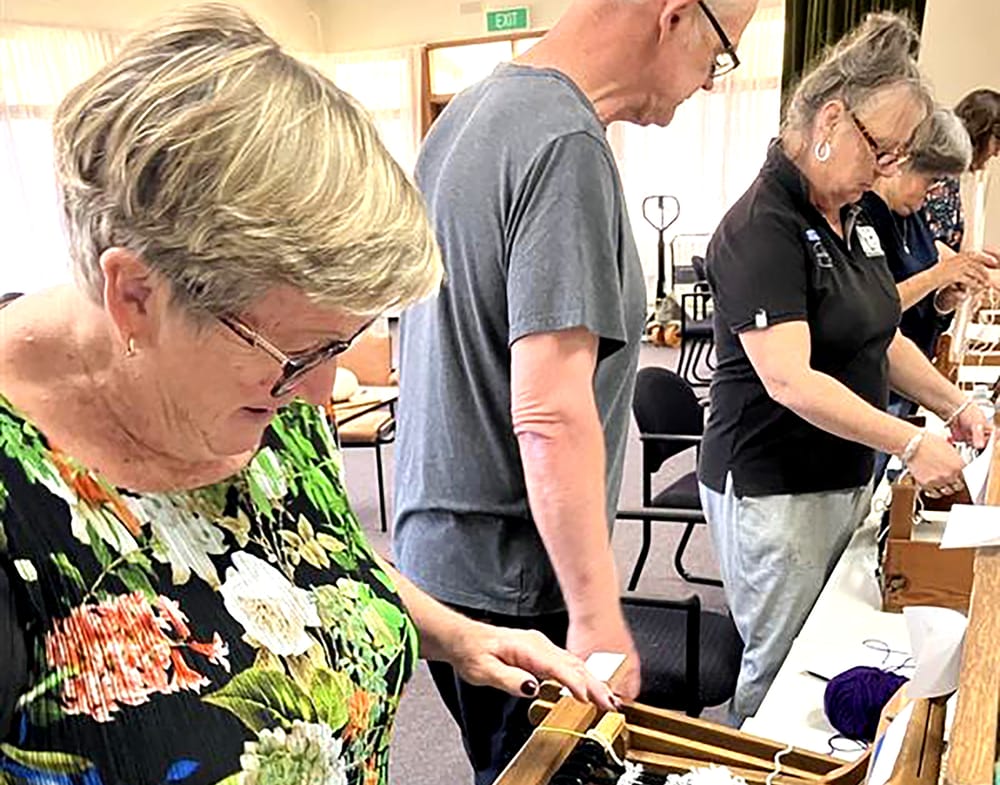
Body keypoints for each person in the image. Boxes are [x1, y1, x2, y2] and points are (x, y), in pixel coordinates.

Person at [0, 7, 618, 785]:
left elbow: (313, 563)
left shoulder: (272, 398)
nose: (320, 391)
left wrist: (459, 635)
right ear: (136, 295)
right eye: (296, 353)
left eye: (336, 345)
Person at [393, 0, 758, 780]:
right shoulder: (565, 143)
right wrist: (598, 614)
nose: (709, 80)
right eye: (721, 52)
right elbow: (549, 412)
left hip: (440, 554)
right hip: (513, 575)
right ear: (674, 16)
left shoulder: (468, 115)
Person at [697, 13, 993, 725]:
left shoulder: (848, 216)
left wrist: (953, 404)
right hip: (775, 483)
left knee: (826, 644)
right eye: (882, 150)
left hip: (841, 468)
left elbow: (877, 334)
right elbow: (789, 378)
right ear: (831, 119)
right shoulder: (761, 226)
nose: (887, 170)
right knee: (779, 668)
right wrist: (910, 442)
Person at [863, 109, 997, 420]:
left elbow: (922, 307)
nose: (932, 193)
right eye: (930, 180)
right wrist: (938, 275)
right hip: (879, 382)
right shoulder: (866, 218)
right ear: (902, 165)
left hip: (909, 381)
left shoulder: (913, 217)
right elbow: (872, 309)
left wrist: (945, 299)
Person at [921, 88, 1000, 253]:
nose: (996, 153)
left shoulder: (956, 178)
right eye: (997, 143)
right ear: (980, 133)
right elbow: (926, 244)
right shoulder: (939, 173)